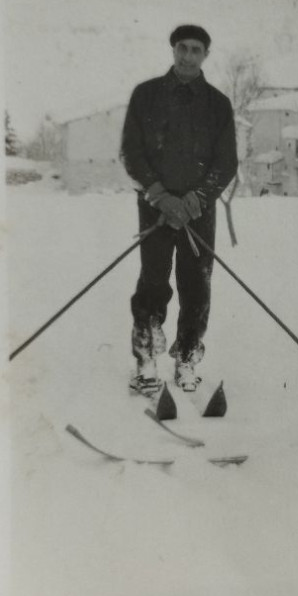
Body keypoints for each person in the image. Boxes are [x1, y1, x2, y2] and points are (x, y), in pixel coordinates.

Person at [120, 24, 237, 395]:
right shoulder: (146, 95)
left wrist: (194, 201)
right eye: (182, 48)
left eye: (196, 50)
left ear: (205, 55)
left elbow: (226, 162)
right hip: (156, 208)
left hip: (198, 213)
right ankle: (147, 357)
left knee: (196, 284)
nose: (188, 56)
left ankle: (187, 357)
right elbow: (131, 152)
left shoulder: (218, 104)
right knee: (153, 281)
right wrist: (160, 196)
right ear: (173, 51)